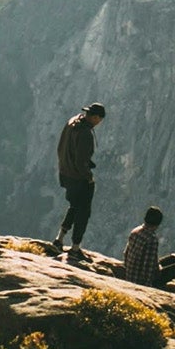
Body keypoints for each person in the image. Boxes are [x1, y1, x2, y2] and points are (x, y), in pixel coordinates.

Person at [52, 103, 105, 260]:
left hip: (66, 174)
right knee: (83, 212)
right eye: (99, 119)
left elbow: (63, 149)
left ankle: (59, 239)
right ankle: (75, 248)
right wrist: (88, 177)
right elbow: (81, 161)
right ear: (96, 117)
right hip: (78, 178)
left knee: (74, 206)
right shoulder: (85, 133)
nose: (98, 122)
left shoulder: (72, 122)